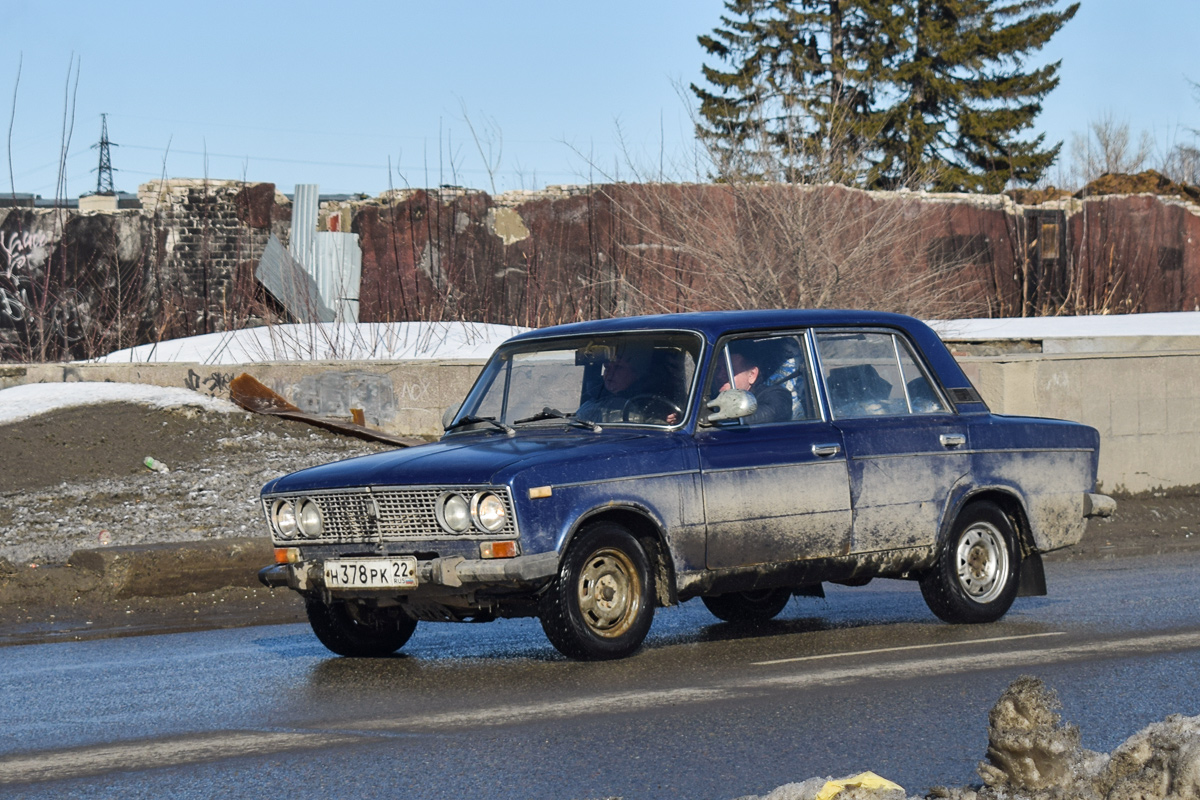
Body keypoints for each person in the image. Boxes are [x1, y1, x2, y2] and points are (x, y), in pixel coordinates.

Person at [712, 341, 792, 424]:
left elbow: (772, 413)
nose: (719, 376)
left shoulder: (775, 394)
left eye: (729, 370)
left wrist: (717, 418)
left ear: (752, 374)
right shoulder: (712, 398)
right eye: (717, 369)